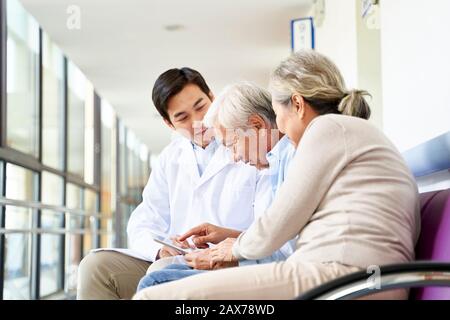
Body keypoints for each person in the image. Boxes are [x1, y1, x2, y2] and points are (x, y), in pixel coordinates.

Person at [133, 50, 420, 300]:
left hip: (346, 278)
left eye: (276, 112)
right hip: (347, 272)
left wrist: (229, 250)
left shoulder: (327, 130)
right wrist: (233, 244)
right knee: (163, 282)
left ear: (296, 105)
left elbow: (278, 225)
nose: (278, 125)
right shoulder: (340, 133)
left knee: (152, 292)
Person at [76, 68, 271, 299]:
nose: (198, 121)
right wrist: (159, 250)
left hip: (232, 262)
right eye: (182, 117)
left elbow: (271, 228)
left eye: (200, 106)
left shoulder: (251, 145)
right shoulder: (170, 158)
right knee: (95, 267)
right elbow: (144, 221)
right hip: (180, 258)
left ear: (212, 97)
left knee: (160, 274)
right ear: (169, 124)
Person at [136, 83, 297, 291]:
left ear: (257, 126)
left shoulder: (285, 162)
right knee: (158, 275)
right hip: (256, 261)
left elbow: (280, 249)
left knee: (154, 282)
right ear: (169, 123)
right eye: (182, 117)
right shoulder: (277, 160)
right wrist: (226, 237)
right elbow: (271, 235)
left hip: (267, 270)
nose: (236, 156)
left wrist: (231, 254)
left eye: (232, 145)